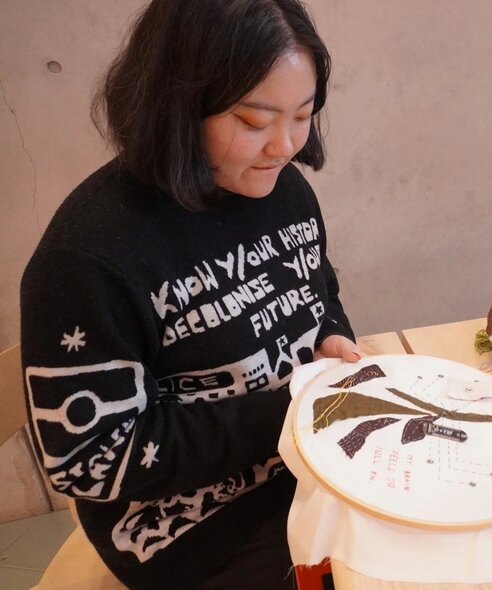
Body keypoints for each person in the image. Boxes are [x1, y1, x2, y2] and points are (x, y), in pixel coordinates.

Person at [19, 1, 359, 588]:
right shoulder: (89, 257)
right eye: (254, 122)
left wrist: (332, 337)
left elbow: (317, 287)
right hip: (190, 531)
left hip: (306, 466)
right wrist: (289, 411)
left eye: (302, 115)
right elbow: (91, 460)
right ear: (176, 105)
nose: (284, 146)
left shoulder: (283, 190)